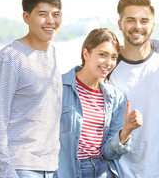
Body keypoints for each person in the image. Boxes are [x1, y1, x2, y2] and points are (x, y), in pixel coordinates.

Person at [0, 0, 63, 178]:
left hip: (49, 168)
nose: (50, 20)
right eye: (42, 14)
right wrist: (7, 173)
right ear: (27, 17)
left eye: (56, 14)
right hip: (18, 167)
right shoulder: (10, 58)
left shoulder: (52, 54)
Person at [108, 0, 159, 177]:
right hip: (120, 171)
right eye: (130, 20)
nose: (138, 27)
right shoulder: (108, 64)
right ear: (120, 24)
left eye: (144, 20)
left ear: (153, 25)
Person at [55, 28, 143, 178]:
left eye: (114, 57)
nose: (109, 63)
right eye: (103, 55)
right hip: (66, 171)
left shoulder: (115, 98)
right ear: (86, 53)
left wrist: (126, 130)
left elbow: (109, 153)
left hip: (102, 172)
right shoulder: (58, 87)